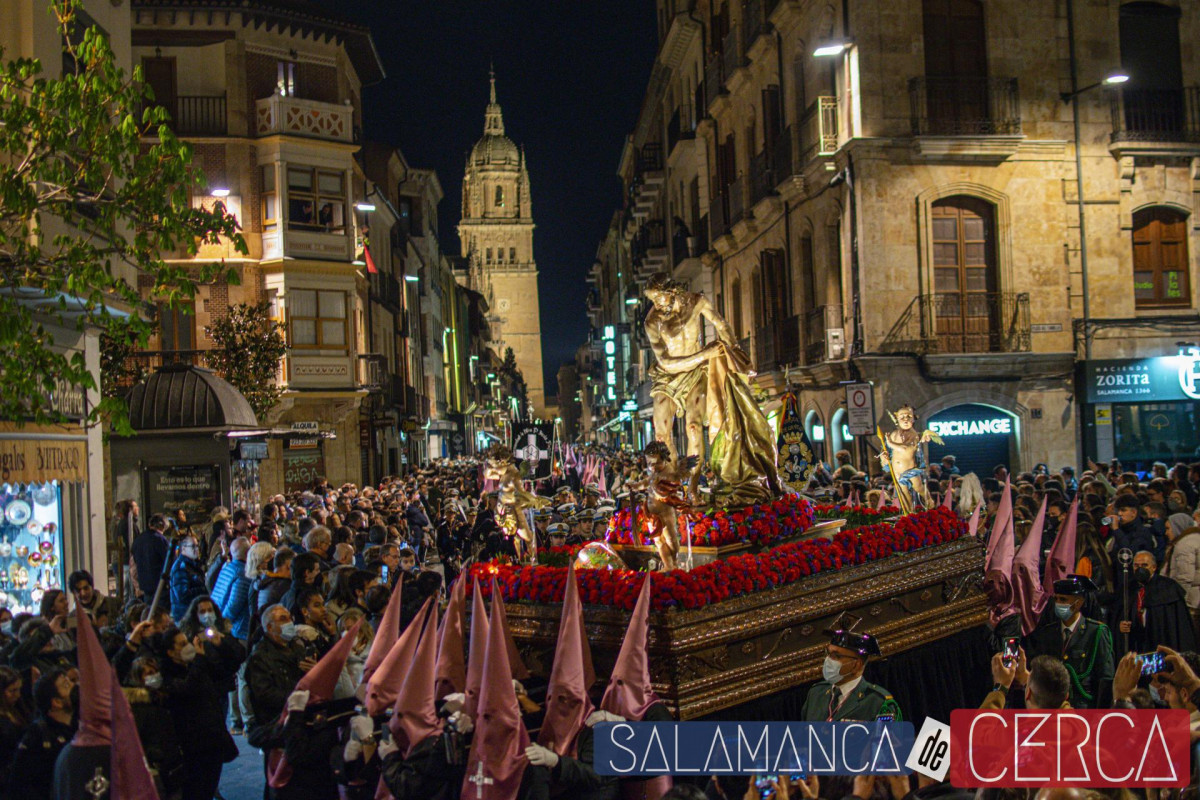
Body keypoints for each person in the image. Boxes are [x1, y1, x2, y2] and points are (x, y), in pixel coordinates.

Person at [153, 626, 239, 800]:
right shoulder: (167, 677)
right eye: (182, 644)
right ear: (170, 652)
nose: (188, 647)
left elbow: (226, 670)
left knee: (208, 789)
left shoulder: (197, 666)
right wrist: (199, 659)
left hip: (213, 741)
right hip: (193, 748)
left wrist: (220, 645)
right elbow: (188, 689)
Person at [1025, 574, 1114, 708]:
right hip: (1052, 706)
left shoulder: (1096, 632)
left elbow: (1105, 679)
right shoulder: (1047, 633)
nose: (1059, 603)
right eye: (1056, 599)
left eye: (1063, 599)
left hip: (1083, 707)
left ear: (1078, 603)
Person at [800, 630, 901, 721]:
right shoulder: (816, 693)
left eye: (836, 656)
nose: (828, 660)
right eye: (828, 653)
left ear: (856, 665)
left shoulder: (877, 702)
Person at [9, 667, 76, 800]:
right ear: (56, 702)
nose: (75, 687)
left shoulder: (79, 725)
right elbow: (20, 785)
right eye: (66, 685)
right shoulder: (37, 736)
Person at [1115, 550, 1197, 654]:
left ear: (1154, 567)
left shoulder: (1168, 587)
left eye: (1144, 565)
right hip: (1137, 646)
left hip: (1161, 644)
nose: (1140, 569)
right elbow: (1117, 616)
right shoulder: (1128, 588)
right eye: (1136, 565)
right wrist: (1120, 625)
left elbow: (1179, 626)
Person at [131, 513, 170, 602]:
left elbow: (133, 561)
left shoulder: (138, 539)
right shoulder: (161, 540)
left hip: (144, 586)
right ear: (162, 526)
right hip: (160, 586)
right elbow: (169, 561)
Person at [169, 534, 207, 622]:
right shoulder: (181, 568)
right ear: (183, 548)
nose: (197, 549)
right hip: (185, 616)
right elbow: (182, 595)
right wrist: (204, 589)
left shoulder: (193, 565)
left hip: (194, 614)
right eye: (193, 546)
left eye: (197, 546)